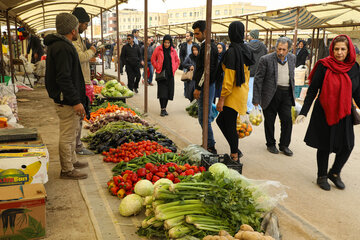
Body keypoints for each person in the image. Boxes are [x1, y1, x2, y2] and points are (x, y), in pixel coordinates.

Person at [296, 35, 360, 191]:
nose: (339, 53)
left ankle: (335, 173)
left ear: (349, 50)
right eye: (336, 49)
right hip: (324, 111)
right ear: (332, 49)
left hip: (344, 111)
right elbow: (312, 90)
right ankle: (322, 176)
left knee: (348, 145)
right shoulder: (323, 66)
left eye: (343, 49)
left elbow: (357, 91)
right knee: (324, 145)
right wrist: (303, 112)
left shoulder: (354, 67)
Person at [44, 13, 89, 179]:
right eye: (77, 27)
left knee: (72, 131)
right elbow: (64, 77)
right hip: (67, 100)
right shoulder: (62, 48)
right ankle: (67, 169)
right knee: (68, 135)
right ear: (73, 29)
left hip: (67, 98)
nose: (77, 29)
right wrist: (76, 101)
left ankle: (72, 161)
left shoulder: (60, 45)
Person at [216, 21, 254, 161]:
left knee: (229, 124)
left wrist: (221, 99)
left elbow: (229, 79)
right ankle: (235, 149)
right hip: (242, 90)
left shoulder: (232, 52)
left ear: (231, 33)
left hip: (232, 93)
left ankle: (234, 155)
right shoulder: (246, 49)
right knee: (221, 121)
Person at [253, 37, 296, 156]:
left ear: (289, 50)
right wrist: (256, 99)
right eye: (279, 49)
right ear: (275, 48)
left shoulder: (293, 58)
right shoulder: (265, 59)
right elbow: (258, 79)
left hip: (286, 93)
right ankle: (271, 144)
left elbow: (291, 77)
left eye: (284, 49)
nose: (281, 52)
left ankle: (284, 145)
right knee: (270, 121)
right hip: (270, 94)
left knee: (287, 120)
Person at [72, 7, 97, 156]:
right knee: (75, 120)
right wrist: (92, 50)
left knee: (79, 118)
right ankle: (76, 149)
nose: (86, 27)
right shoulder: (73, 40)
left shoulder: (79, 38)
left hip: (83, 81)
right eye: (86, 24)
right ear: (79, 23)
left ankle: (78, 146)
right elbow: (80, 57)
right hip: (79, 83)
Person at [192, 20, 219, 154]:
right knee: (203, 117)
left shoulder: (209, 47)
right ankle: (208, 142)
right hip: (206, 86)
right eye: (194, 33)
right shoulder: (205, 46)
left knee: (204, 118)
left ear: (205, 32)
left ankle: (210, 145)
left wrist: (198, 87)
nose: (196, 36)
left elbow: (206, 71)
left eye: (197, 33)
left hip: (206, 87)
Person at [151, 35, 180, 116]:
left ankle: (165, 108)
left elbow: (177, 61)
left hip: (170, 74)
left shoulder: (173, 51)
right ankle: (162, 109)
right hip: (161, 74)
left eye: (168, 42)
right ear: (163, 42)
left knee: (168, 93)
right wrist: (157, 67)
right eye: (165, 42)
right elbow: (153, 59)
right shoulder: (158, 49)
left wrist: (175, 68)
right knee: (162, 93)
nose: (166, 44)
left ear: (170, 43)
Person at [246, 29, 267, 112]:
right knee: (258, 90)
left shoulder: (247, 46)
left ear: (252, 36)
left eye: (249, 35)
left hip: (249, 71)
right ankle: (258, 107)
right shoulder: (263, 46)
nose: (248, 36)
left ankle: (250, 108)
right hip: (260, 72)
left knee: (249, 90)